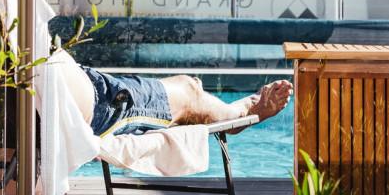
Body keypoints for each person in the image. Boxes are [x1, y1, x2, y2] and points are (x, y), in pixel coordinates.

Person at [59, 61, 292, 138]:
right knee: (188, 90)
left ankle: (235, 109)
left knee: (188, 90)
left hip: (90, 91)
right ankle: (244, 110)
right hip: (100, 102)